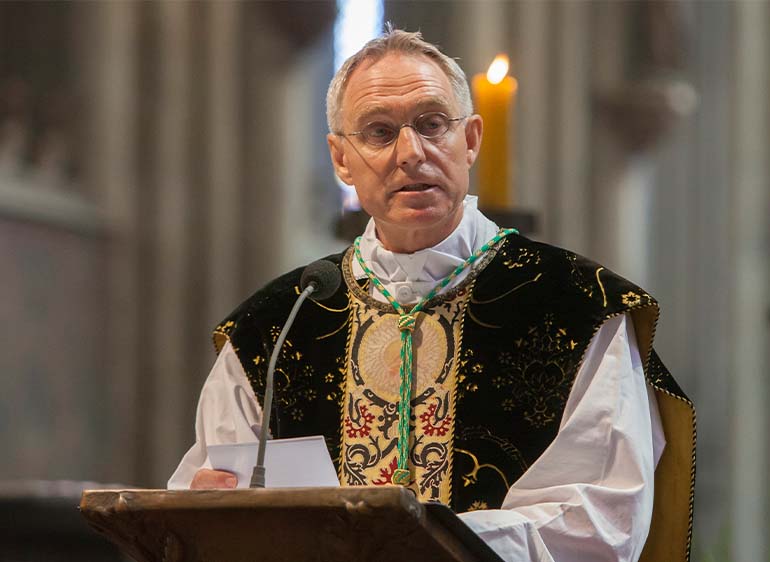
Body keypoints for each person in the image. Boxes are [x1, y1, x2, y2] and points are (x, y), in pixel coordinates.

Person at [169, 29, 695, 562]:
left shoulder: (576, 306)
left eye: (432, 124)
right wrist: (215, 510)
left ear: (470, 140)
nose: (410, 152)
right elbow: (210, 495)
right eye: (378, 131)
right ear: (341, 159)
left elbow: (600, 519)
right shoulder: (276, 325)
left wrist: (415, 542)